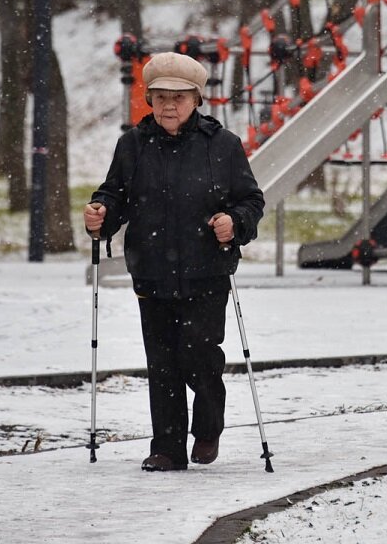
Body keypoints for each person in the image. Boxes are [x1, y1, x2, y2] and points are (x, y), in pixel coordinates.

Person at [84, 51, 265, 472]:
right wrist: (101, 213)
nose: (169, 105)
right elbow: (115, 195)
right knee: (162, 362)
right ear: (149, 99)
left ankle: (207, 428)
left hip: (208, 271)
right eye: (161, 96)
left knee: (200, 358)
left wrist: (234, 222)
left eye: (179, 97)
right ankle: (166, 448)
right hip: (151, 271)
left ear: (197, 100)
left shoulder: (223, 146)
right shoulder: (133, 145)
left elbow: (250, 200)